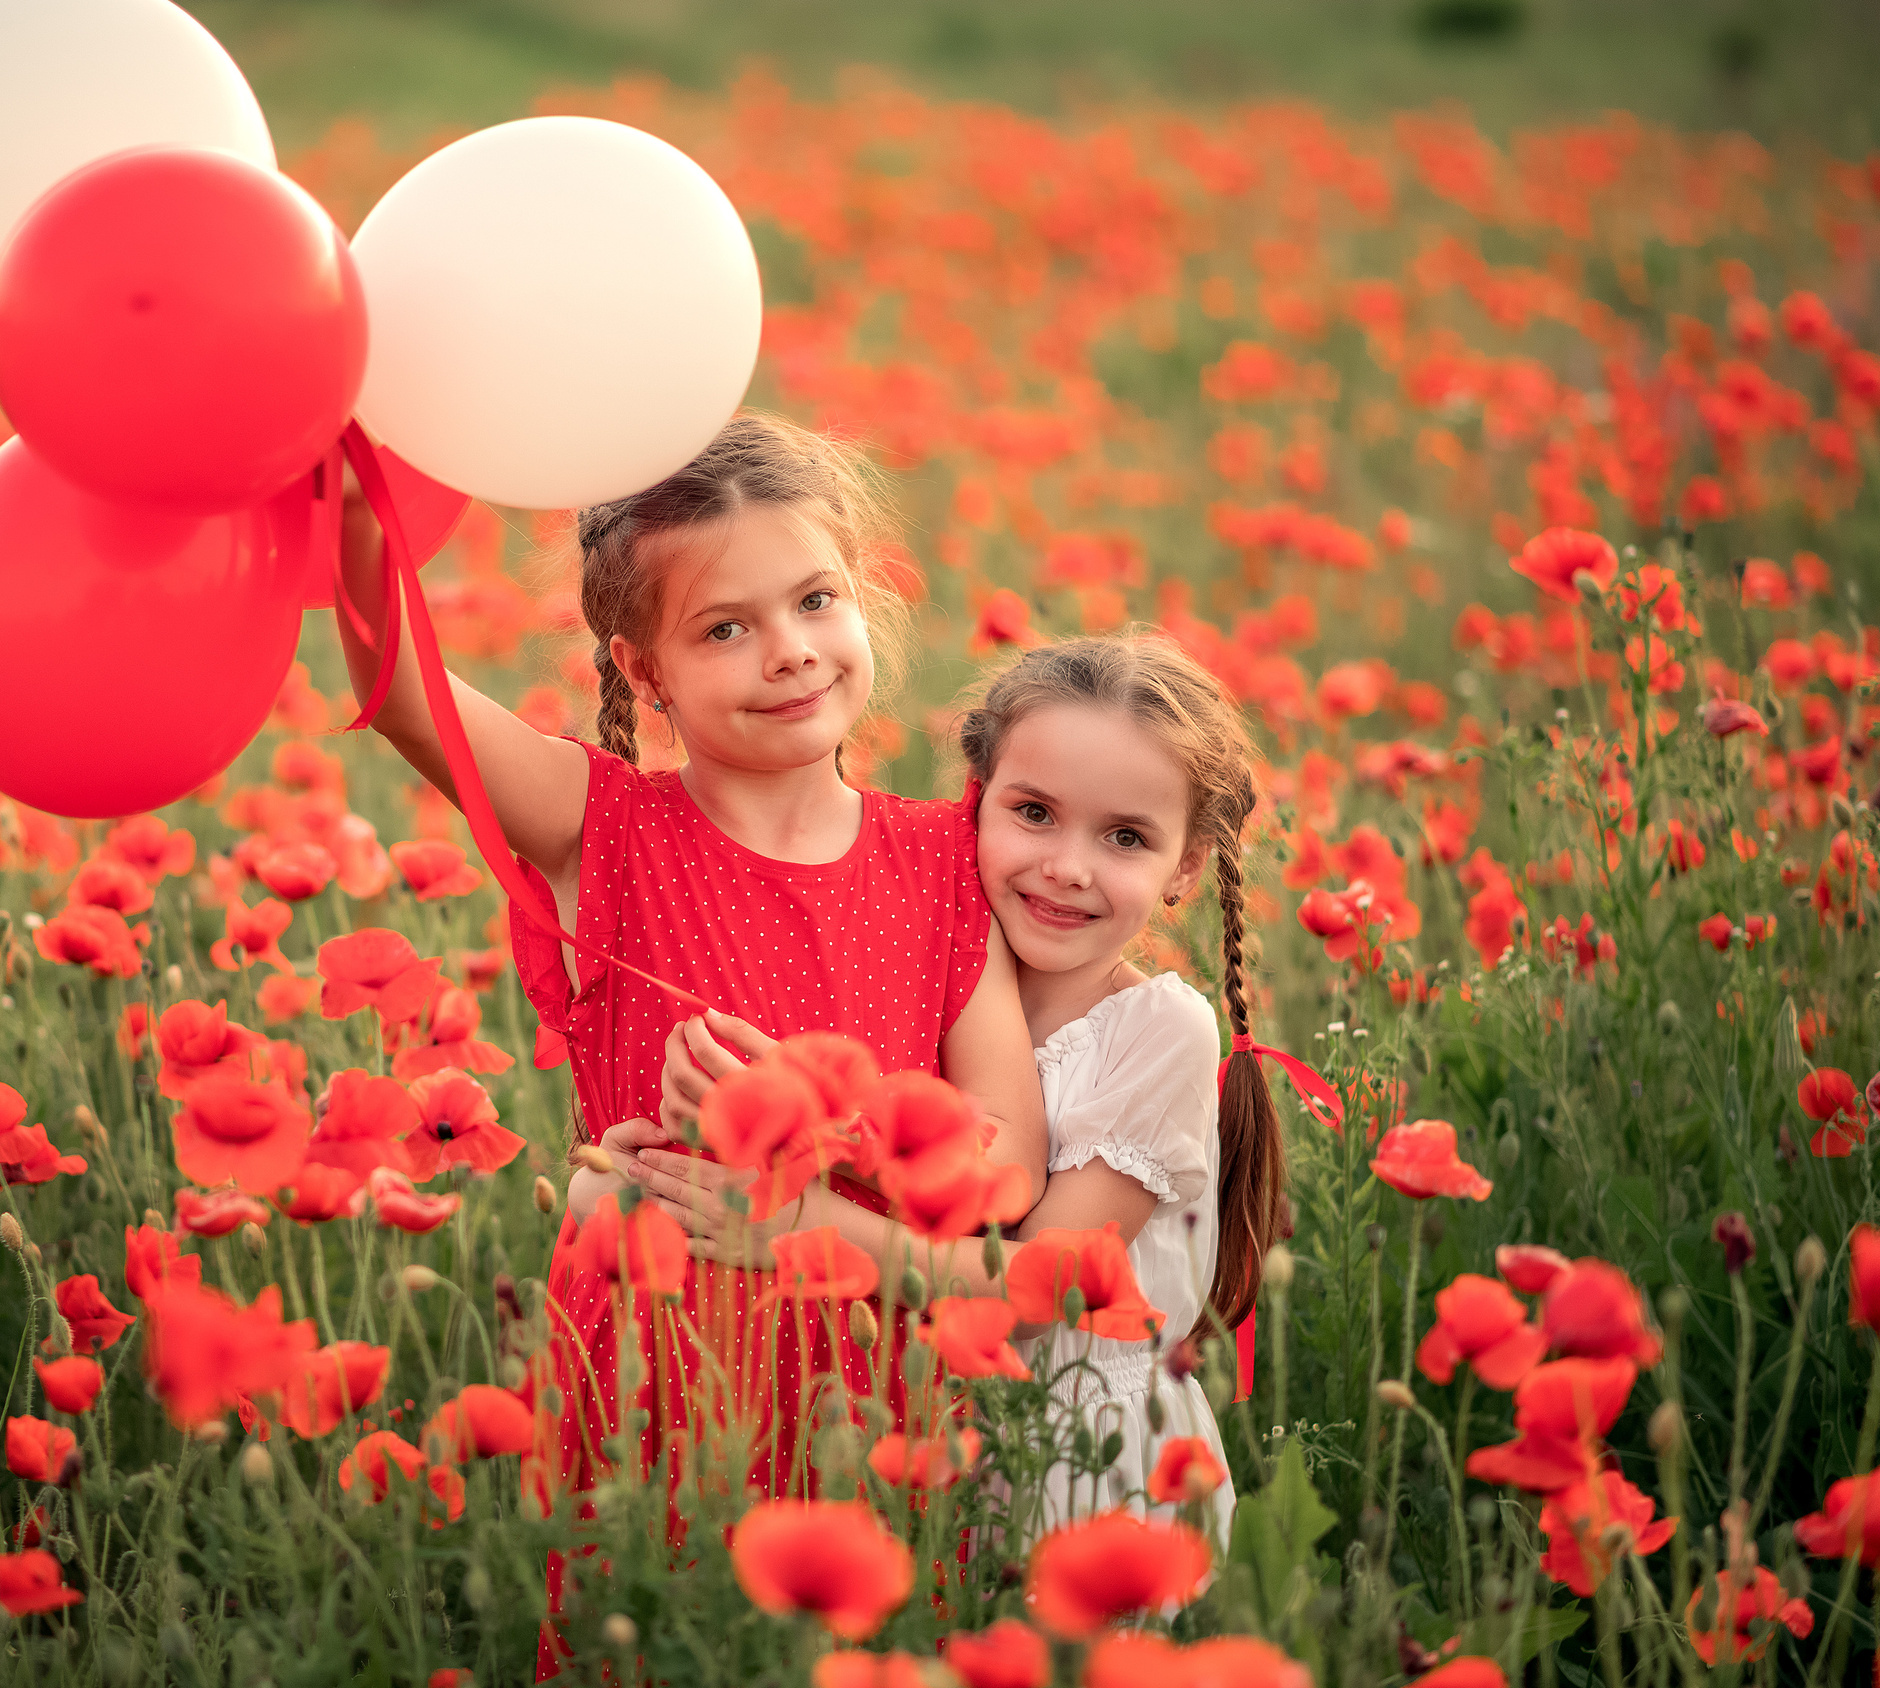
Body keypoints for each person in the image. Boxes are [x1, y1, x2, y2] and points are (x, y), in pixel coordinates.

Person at [334, 412, 1046, 1673]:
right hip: (658, 1377)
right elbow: (401, 689)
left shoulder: (943, 857)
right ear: (644, 669)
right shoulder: (599, 828)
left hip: (870, 1372)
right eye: (725, 627)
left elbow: (1004, 1166)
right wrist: (346, 521)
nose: (788, 653)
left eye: (815, 600)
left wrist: (806, 1128)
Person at [642, 630, 1279, 1547]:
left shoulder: (1159, 1032)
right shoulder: (924, 988)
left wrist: (799, 1226)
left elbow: (1054, 1285)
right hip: (939, 1448)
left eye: (1126, 837)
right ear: (971, 806)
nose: (1066, 865)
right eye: (1034, 814)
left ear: (1186, 865)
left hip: (1084, 1471)